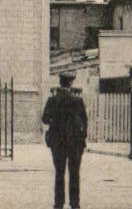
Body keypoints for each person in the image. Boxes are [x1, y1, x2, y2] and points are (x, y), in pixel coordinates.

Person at [42, 71, 87, 209]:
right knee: (74, 173)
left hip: (58, 142)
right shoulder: (78, 101)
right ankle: (75, 204)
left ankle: (58, 204)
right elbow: (84, 122)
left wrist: (55, 122)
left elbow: (45, 119)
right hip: (74, 142)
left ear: (60, 83)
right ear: (71, 83)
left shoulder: (52, 100)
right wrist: (82, 138)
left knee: (59, 173)